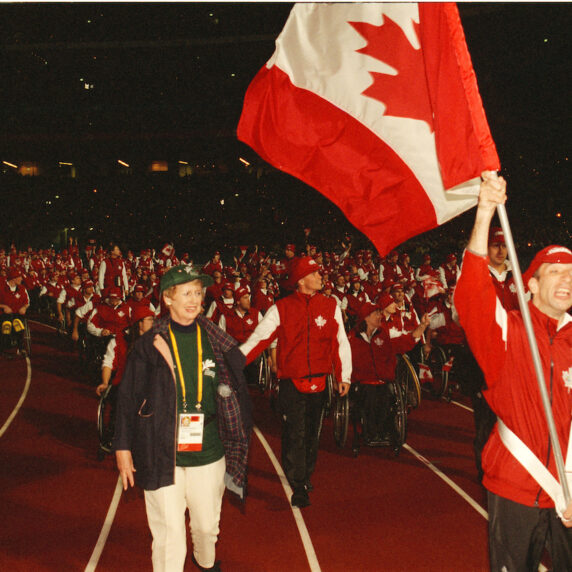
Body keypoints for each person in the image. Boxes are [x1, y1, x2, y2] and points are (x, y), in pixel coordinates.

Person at [455, 171, 572, 570]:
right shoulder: (509, 330)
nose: (567, 279)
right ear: (532, 285)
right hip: (515, 485)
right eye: (555, 271)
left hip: (568, 490)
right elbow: (471, 295)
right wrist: (485, 210)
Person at [114, 264, 252, 572]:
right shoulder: (149, 346)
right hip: (161, 451)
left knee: (206, 528)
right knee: (168, 533)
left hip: (209, 450)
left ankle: (205, 564)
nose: (194, 300)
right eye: (186, 293)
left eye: (199, 293)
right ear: (167, 299)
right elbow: (126, 400)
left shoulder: (217, 340)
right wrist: (122, 448)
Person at [240, 256, 352, 508]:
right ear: (301, 280)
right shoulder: (281, 308)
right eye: (315, 274)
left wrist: (343, 376)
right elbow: (259, 339)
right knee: (295, 433)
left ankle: (305, 475)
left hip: (320, 382)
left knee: (313, 434)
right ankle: (298, 483)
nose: (321, 277)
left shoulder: (331, 305)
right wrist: (233, 363)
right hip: (292, 383)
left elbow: (340, 341)